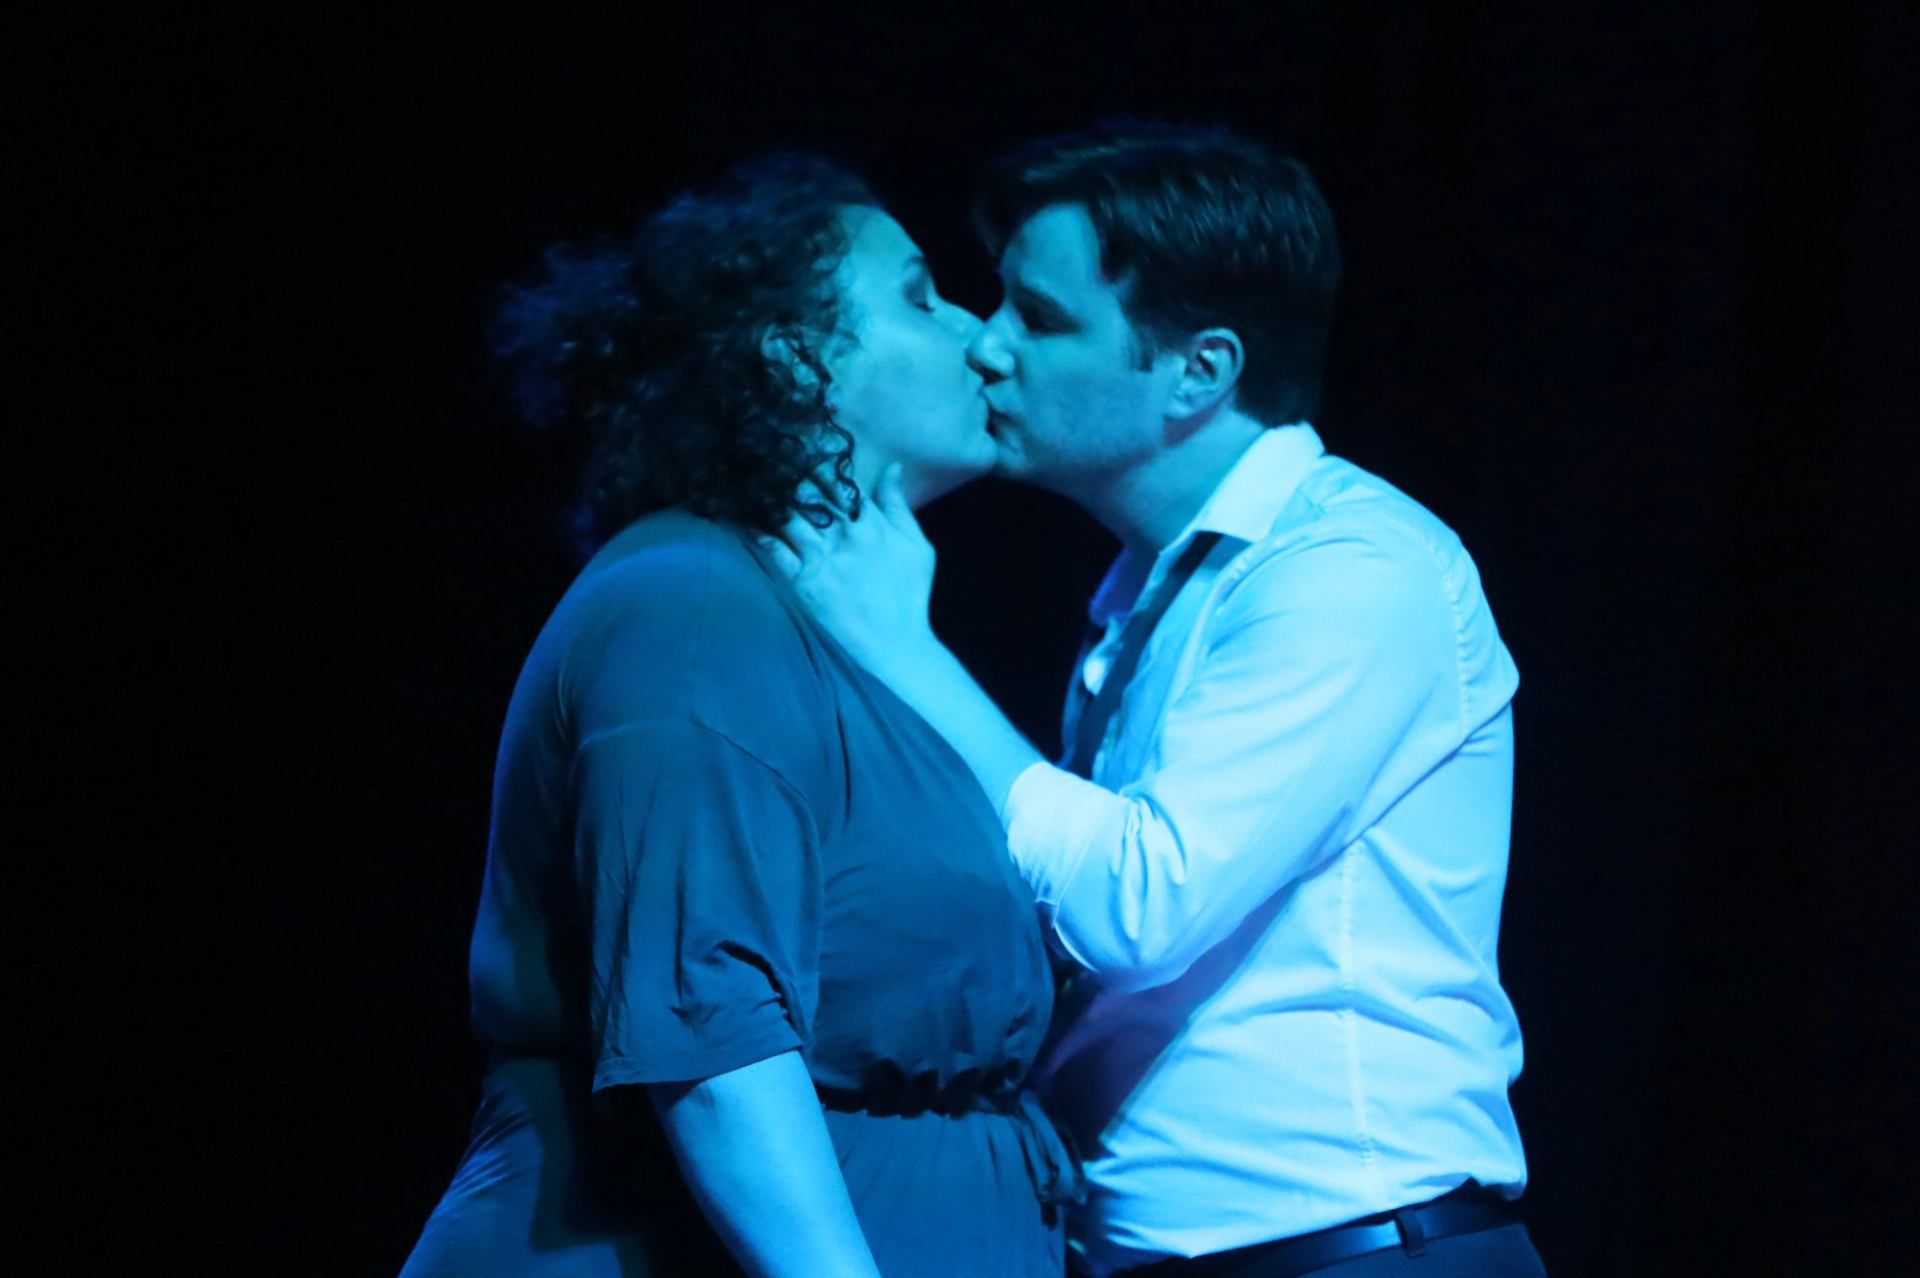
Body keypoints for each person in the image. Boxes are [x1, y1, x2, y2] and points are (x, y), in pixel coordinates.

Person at [773, 123, 1546, 1276]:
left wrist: (902, 646)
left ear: (1201, 370)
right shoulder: (1156, 584)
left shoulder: (1353, 567)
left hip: (1352, 1252)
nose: (986, 348)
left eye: (1039, 319)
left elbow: (1145, 903)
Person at [399, 154, 1074, 1278]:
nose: (977, 336)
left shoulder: (841, 636)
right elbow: (714, 1049)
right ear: (796, 358)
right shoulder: (694, 610)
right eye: (919, 295)